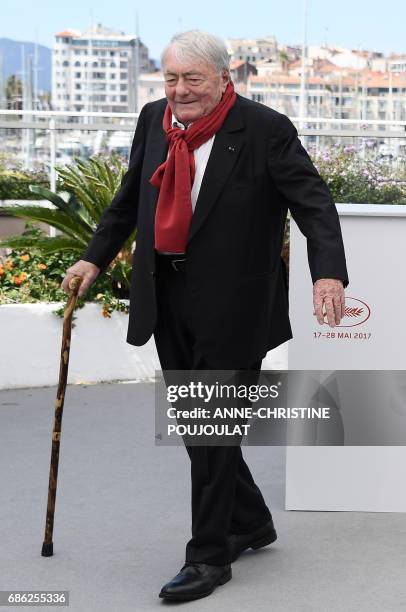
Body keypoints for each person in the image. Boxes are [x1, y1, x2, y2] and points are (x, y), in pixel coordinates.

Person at [61, 29, 349, 602]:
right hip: (165, 294)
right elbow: (128, 200)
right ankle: (252, 521)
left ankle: (210, 556)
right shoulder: (153, 121)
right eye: (171, 78)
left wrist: (328, 272)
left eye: (193, 79)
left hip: (235, 305)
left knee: (212, 429)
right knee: (200, 428)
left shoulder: (264, 129)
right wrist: (94, 259)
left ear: (224, 78)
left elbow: (313, 202)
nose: (180, 90)